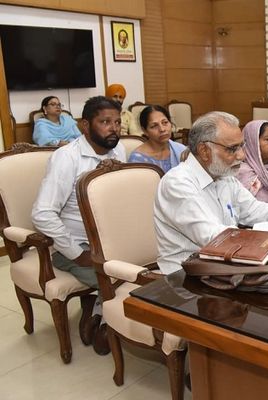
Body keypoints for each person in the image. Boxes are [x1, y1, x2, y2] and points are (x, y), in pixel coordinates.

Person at [154, 111, 268, 275]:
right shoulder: (177, 184)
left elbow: (255, 210)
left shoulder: (223, 175)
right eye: (232, 149)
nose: (242, 155)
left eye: (241, 146)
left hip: (227, 267)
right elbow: (216, 239)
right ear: (204, 151)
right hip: (185, 276)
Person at [31, 96, 126, 355]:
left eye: (117, 122)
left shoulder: (119, 150)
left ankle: (95, 311)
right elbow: (42, 214)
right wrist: (76, 253)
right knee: (116, 280)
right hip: (77, 245)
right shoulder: (66, 158)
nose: (114, 128)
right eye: (105, 122)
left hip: (112, 241)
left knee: (143, 272)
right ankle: (106, 324)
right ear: (85, 125)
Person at [128, 105, 187, 173]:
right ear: (144, 131)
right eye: (154, 126)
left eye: (165, 122)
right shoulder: (138, 159)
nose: (162, 129)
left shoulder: (181, 150)